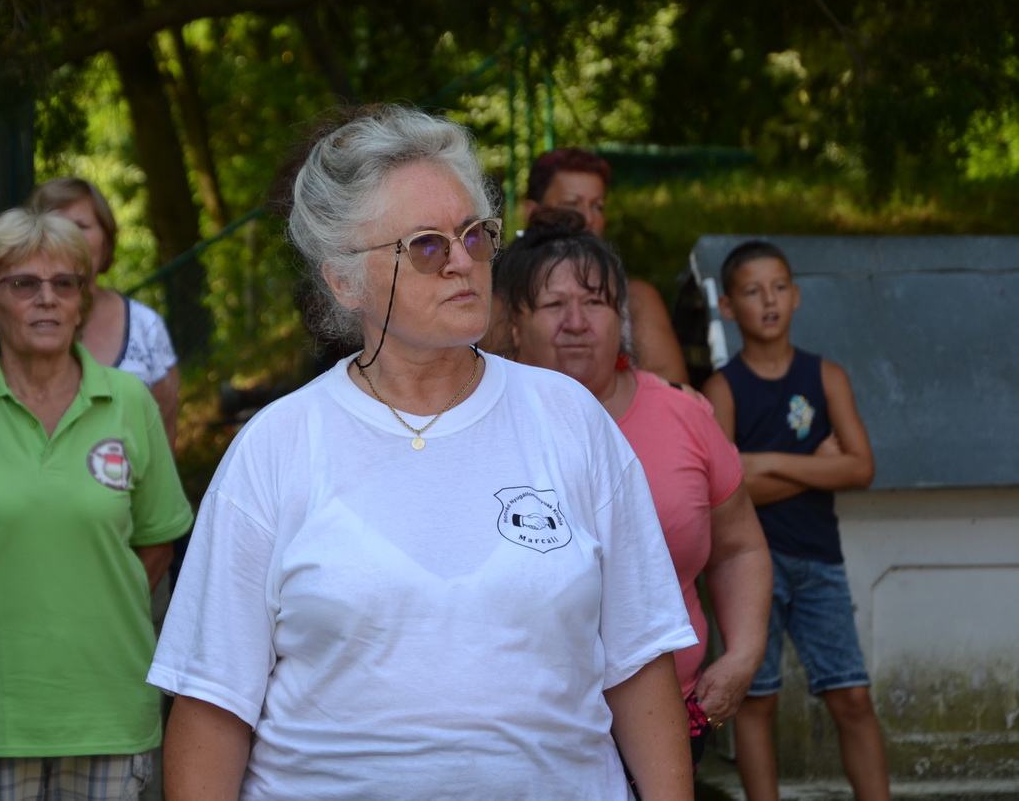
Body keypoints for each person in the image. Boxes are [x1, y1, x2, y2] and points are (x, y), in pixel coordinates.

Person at [149, 105, 698, 801]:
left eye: (475, 234)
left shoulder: (570, 420)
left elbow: (639, 663)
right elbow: (213, 705)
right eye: (427, 246)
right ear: (344, 281)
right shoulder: (276, 447)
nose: (463, 261)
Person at [0, 207, 193, 801]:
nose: (47, 299)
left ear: (83, 301)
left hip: (108, 709)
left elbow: (157, 541)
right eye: (24, 284)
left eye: (65, 284)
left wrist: (95, 615)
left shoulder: (130, 402)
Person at [497, 209, 772, 768]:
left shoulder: (684, 414)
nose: (577, 322)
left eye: (595, 302)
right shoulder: (480, 425)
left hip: (669, 719)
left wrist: (743, 654)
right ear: (515, 327)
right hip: (525, 733)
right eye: (554, 305)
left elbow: (739, 546)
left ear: (620, 319)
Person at [702, 240, 888, 801]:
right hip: (747, 569)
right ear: (728, 307)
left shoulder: (826, 376)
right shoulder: (722, 389)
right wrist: (816, 465)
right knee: (756, 702)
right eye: (752, 291)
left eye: (779, 287)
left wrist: (765, 463)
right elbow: (726, 491)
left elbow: (860, 468)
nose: (769, 301)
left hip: (819, 561)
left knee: (851, 696)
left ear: (797, 295)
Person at [0, 177, 180, 451]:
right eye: (56, 224)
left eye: (81, 226)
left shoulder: (145, 325)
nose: (68, 237)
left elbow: (163, 436)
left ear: (106, 238)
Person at [485, 148, 689, 384]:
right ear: (532, 212)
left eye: (597, 206)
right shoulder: (496, 305)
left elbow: (670, 383)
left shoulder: (636, 297)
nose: (588, 218)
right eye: (572, 204)